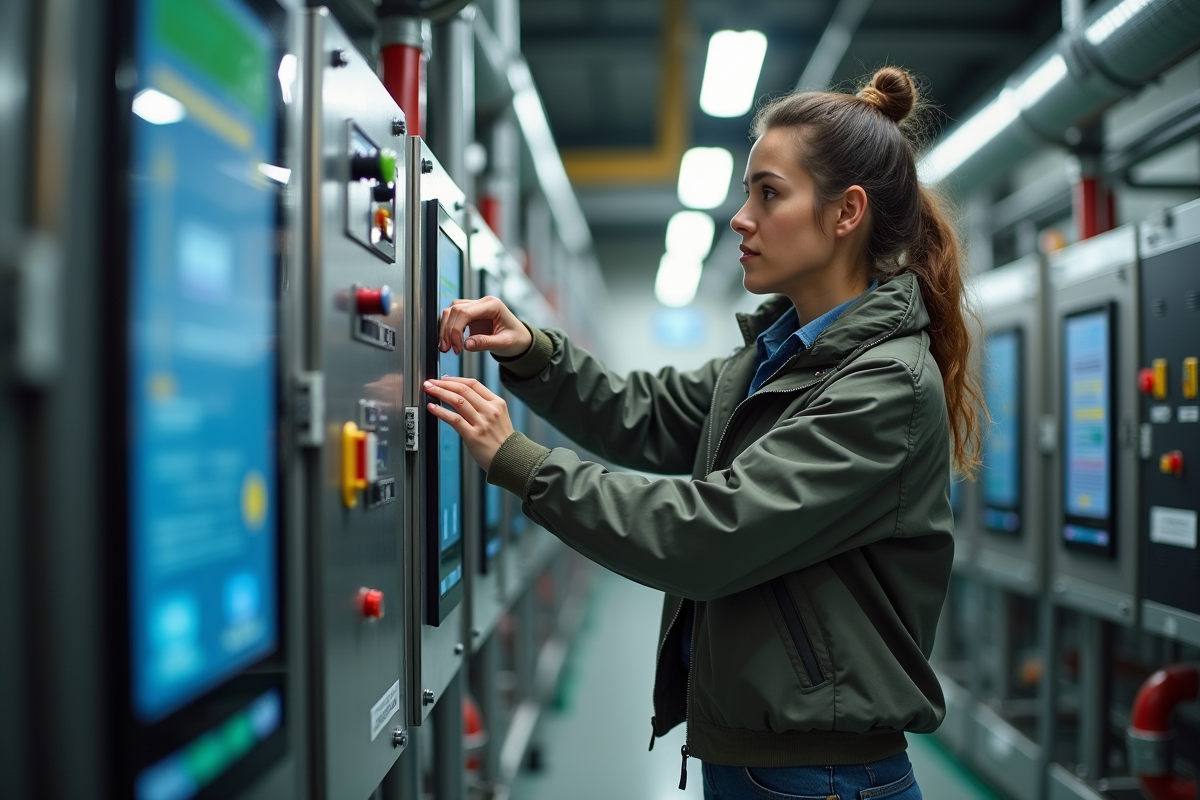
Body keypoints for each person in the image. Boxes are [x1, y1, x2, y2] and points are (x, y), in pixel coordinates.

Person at [424, 66, 982, 800]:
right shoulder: (776, 356)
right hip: (763, 761)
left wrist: (523, 464)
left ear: (846, 213)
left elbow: (713, 533)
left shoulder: (883, 385)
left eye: (768, 193)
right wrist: (534, 352)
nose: (740, 217)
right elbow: (645, 414)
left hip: (824, 776)